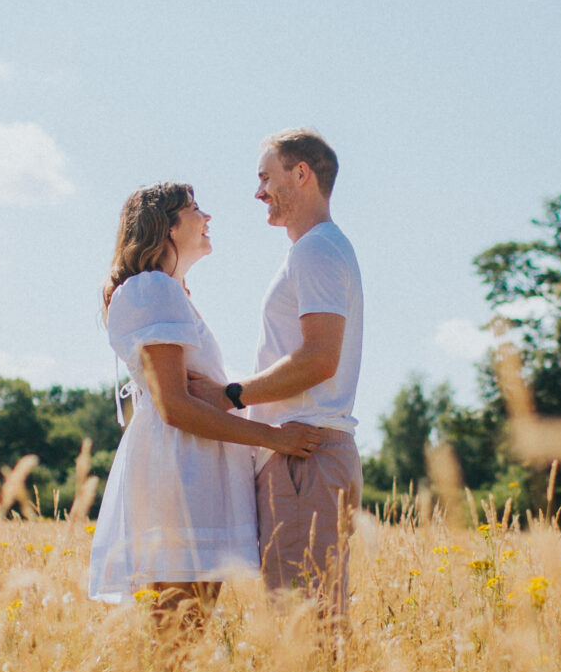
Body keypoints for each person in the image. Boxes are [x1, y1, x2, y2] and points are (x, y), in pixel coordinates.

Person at [86, 181, 325, 631]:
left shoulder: (167, 292)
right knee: (178, 631)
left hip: (194, 466)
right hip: (182, 469)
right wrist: (275, 439)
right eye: (195, 209)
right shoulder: (153, 288)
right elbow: (175, 406)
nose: (207, 217)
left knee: (188, 627)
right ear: (169, 228)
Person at [196, 129, 363, 633]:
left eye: (265, 177)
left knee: (305, 628)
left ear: (302, 174)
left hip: (304, 455)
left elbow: (318, 359)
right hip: (301, 455)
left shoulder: (317, 250)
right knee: (307, 619)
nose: (258, 191)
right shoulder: (312, 251)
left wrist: (232, 396)